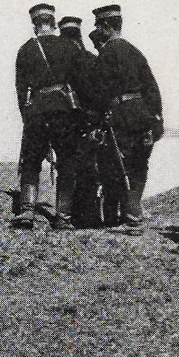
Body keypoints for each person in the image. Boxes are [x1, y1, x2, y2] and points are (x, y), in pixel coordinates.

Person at [13, 4, 90, 229]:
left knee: (31, 160)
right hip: (64, 110)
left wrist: (25, 115)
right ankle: (63, 216)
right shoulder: (69, 46)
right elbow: (81, 83)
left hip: (36, 110)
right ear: (54, 23)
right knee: (66, 161)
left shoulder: (26, 49)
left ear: (34, 25)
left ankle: (27, 211)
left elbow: (20, 90)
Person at [87, 4, 162, 232]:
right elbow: (152, 88)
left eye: (99, 26)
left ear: (107, 26)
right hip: (142, 114)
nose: (98, 30)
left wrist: (96, 121)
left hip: (121, 116)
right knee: (140, 164)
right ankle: (133, 211)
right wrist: (155, 119)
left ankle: (130, 217)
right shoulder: (135, 51)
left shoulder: (107, 53)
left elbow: (98, 92)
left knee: (118, 164)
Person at [59, 16, 101, 228]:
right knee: (89, 168)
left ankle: (73, 214)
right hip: (92, 120)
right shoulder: (91, 58)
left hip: (71, 121)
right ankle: (90, 215)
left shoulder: (61, 61)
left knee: (69, 166)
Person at [88, 27, 124, 226]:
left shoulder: (105, 63)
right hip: (110, 124)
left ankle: (112, 217)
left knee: (111, 171)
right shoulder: (104, 61)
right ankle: (112, 217)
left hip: (110, 124)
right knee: (111, 172)